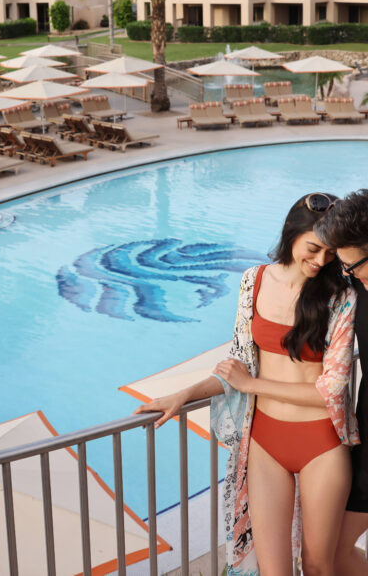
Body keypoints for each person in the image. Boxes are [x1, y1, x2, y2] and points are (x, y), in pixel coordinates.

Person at [134, 194, 359, 576]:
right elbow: (239, 360)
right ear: (291, 232)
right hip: (266, 443)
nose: (322, 260)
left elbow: (331, 392)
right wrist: (184, 395)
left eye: (330, 253)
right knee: (273, 571)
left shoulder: (341, 296)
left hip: (321, 443)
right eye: (313, 248)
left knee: (319, 566)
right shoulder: (253, 281)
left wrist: (252, 385)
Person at [315, 190, 368, 576]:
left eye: (356, 266)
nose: (352, 275)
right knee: (332, 554)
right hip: (366, 440)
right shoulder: (358, 289)